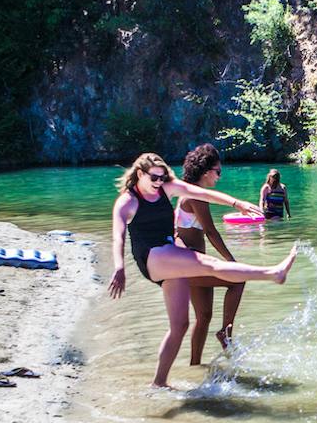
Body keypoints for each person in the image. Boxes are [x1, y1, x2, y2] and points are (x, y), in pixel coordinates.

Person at [109, 152, 298, 388]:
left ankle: (159, 383)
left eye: (162, 177)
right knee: (212, 265)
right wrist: (119, 267)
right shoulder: (128, 201)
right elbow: (118, 237)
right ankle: (273, 273)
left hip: (169, 257)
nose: (159, 182)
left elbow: (202, 193)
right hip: (151, 257)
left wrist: (236, 203)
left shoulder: (166, 188)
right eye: (154, 178)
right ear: (140, 174)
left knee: (180, 326)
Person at [175, 144, 244, 359]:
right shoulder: (197, 196)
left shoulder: (187, 191)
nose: (219, 177)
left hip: (190, 261)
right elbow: (211, 232)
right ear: (206, 172)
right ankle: (226, 333)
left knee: (203, 316)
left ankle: (195, 366)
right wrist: (231, 261)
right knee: (238, 279)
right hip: (189, 264)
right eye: (218, 172)